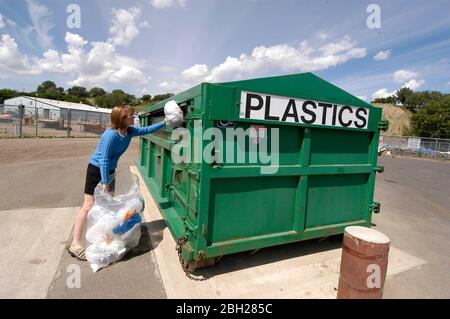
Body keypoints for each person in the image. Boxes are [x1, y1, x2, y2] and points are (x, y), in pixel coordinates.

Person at [68, 105, 165, 261]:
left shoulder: (129, 131)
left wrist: (166, 122)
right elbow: (104, 159)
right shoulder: (110, 135)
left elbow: (146, 130)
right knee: (88, 205)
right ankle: (75, 244)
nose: (133, 118)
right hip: (97, 170)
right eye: (130, 116)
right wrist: (105, 182)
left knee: (106, 206)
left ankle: (102, 237)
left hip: (109, 172)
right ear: (121, 118)